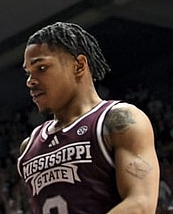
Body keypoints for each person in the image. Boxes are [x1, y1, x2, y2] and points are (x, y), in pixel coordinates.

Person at [17, 22, 159, 213]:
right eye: (28, 73)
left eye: (41, 68)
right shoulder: (29, 146)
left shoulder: (119, 121)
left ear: (79, 66)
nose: (30, 81)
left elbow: (141, 204)